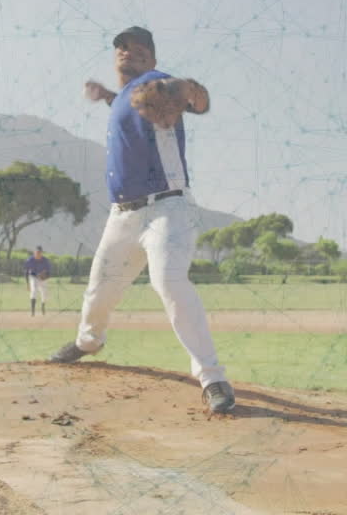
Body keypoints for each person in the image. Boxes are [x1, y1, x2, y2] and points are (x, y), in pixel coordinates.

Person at [49, 26, 236, 415]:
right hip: (122, 217)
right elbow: (131, 106)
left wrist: (186, 88)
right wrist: (105, 97)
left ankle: (212, 377)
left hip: (167, 210)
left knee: (167, 279)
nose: (127, 53)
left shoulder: (158, 84)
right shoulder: (127, 100)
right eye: (121, 48)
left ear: (151, 60)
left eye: (137, 50)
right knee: (99, 291)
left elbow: (197, 101)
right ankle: (88, 343)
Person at [24, 246, 51, 316]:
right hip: (33, 277)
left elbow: (49, 273)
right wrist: (27, 284)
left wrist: (44, 276)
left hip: (43, 279)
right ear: (34, 253)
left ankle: (43, 306)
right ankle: (32, 312)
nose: (38, 254)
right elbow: (26, 272)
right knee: (33, 291)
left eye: (40, 252)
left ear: (42, 253)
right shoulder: (30, 260)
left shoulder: (45, 261)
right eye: (37, 252)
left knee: (44, 294)